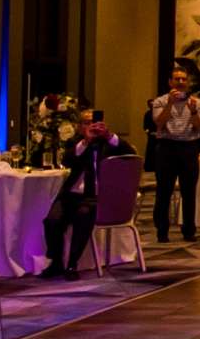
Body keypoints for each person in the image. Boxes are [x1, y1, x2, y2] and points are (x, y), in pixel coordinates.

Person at [42, 108, 135, 278]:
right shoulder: (75, 143)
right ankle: (56, 262)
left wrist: (108, 135)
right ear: (79, 127)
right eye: (87, 122)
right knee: (52, 220)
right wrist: (85, 142)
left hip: (96, 197)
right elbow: (67, 160)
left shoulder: (110, 142)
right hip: (71, 194)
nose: (92, 126)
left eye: (94, 122)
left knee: (83, 216)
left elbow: (131, 154)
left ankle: (72, 265)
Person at [147, 68, 200, 242]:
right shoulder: (159, 102)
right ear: (170, 82)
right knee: (164, 191)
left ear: (188, 82)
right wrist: (170, 104)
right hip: (167, 147)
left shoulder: (196, 102)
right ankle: (162, 231)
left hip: (189, 148)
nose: (181, 82)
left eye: (184, 79)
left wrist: (194, 112)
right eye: (177, 79)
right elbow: (159, 123)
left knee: (189, 191)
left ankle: (189, 230)